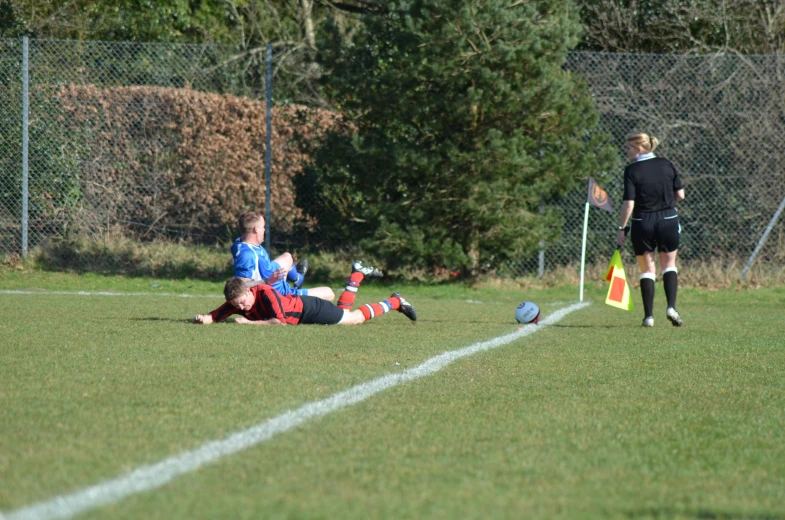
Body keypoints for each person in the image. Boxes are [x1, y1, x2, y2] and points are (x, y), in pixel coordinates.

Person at [193, 262, 417, 326]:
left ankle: (394, 302)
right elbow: (220, 312)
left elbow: (279, 322)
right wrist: (206, 318)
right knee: (344, 312)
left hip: (309, 308)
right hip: (305, 311)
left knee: (352, 319)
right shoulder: (240, 299)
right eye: (237, 305)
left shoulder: (266, 292)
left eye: (242, 303)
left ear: (250, 291)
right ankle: (356, 276)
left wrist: (249, 323)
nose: (241, 308)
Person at [616, 132, 685, 328]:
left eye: (628, 148)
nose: (626, 151)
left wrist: (621, 228)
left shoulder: (631, 170)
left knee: (647, 268)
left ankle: (649, 317)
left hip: (642, 221)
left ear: (638, 149)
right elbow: (680, 194)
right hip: (668, 219)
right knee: (669, 265)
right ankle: (671, 307)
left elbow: (629, 204)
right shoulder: (666, 164)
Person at [232, 211, 336, 301]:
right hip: (279, 293)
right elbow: (242, 284)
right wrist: (268, 281)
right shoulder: (248, 255)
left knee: (287, 257)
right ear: (256, 229)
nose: (264, 230)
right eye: (263, 227)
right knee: (329, 293)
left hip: (271, 274)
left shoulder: (240, 242)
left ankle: (298, 278)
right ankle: (295, 291)